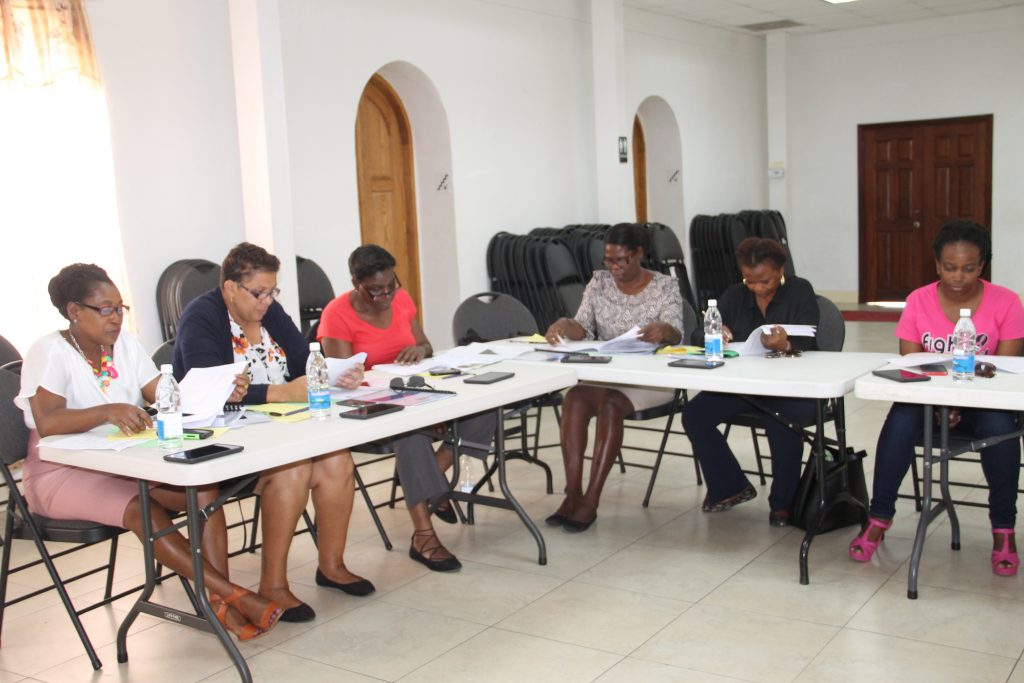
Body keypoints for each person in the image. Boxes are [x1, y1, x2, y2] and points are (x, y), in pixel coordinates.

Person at [16, 264, 282, 641]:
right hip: (62, 472)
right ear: (74, 311)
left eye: (120, 308)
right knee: (145, 510)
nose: (116, 318)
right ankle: (232, 595)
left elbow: (164, 393)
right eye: (105, 309)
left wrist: (220, 388)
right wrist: (108, 411)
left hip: (124, 460)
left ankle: (217, 602)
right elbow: (48, 422)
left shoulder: (122, 345)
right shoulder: (49, 351)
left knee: (203, 492)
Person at [174, 243, 373, 624]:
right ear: (231, 288)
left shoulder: (270, 313)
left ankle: (331, 567)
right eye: (259, 292)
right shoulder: (202, 317)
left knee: (336, 460)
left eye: (272, 291)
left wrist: (335, 372)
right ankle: (274, 585)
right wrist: (279, 392)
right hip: (225, 444)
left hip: (277, 432)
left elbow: (303, 359)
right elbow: (209, 387)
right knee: (293, 468)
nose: (267, 301)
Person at [849, 220, 1024, 576]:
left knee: (999, 425)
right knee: (901, 416)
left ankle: (1003, 528)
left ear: (982, 266)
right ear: (936, 264)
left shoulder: (1007, 302)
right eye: (949, 267)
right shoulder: (918, 300)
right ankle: (879, 517)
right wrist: (943, 401)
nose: (958, 276)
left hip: (985, 402)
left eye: (969, 268)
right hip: (931, 399)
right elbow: (912, 368)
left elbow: (1003, 372)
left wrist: (960, 402)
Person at [318, 244, 497, 572]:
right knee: (411, 432)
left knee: (484, 407)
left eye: (391, 286)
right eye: (376, 290)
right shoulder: (337, 313)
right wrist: (355, 375)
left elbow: (426, 345)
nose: (386, 296)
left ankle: (435, 478)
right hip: (369, 410)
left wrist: (417, 349)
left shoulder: (401, 299)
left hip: (412, 391)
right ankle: (423, 536)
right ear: (357, 283)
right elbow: (338, 378)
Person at [543, 223, 684, 532]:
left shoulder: (664, 286)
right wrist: (566, 326)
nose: (615, 267)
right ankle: (572, 494)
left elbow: (676, 331)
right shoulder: (599, 282)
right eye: (609, 259)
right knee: (576, 398)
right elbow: (583, 326)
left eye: (622, 260)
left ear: (639, 254)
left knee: (610, 405)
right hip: (608, 371)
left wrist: (665, 331)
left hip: (651, 378)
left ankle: (591, 500)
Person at [682, 237, 819, 527]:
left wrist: (785, 344)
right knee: (695, 414)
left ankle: (784, 503)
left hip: (794, 388)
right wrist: (714, 336)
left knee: (780, 419)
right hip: (744, 387)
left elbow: (810, 340)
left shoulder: (800, 290)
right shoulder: (734, 295)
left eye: (765, 280)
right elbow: (699, 333)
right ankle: (730, 486)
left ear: (780, 270)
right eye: (750, 280)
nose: (757, 287)